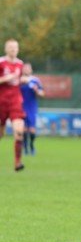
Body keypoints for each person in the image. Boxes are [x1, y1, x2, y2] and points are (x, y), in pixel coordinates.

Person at [0, 39, 26, 171]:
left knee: (19, 132)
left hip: (15, 102)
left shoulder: (20, 64)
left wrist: (23, 80)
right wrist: (7, 78)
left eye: (15, 48)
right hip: (1, 102)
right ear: (6, 49)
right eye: (11, 48)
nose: (13, 50)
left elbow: (17, 81)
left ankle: (18, 163)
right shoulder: (1, 62)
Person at [20, 62, 44, 155]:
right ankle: (25, 147)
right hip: (21, 106)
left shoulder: (35, 80)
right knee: (24, 129)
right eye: (25, 68)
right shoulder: (19, 80)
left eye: (28, 68)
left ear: (31, 70)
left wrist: (36, 90)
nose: (26, 70)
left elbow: (42, 93)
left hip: (32, 107)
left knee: (32, 129)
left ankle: (32, 146)